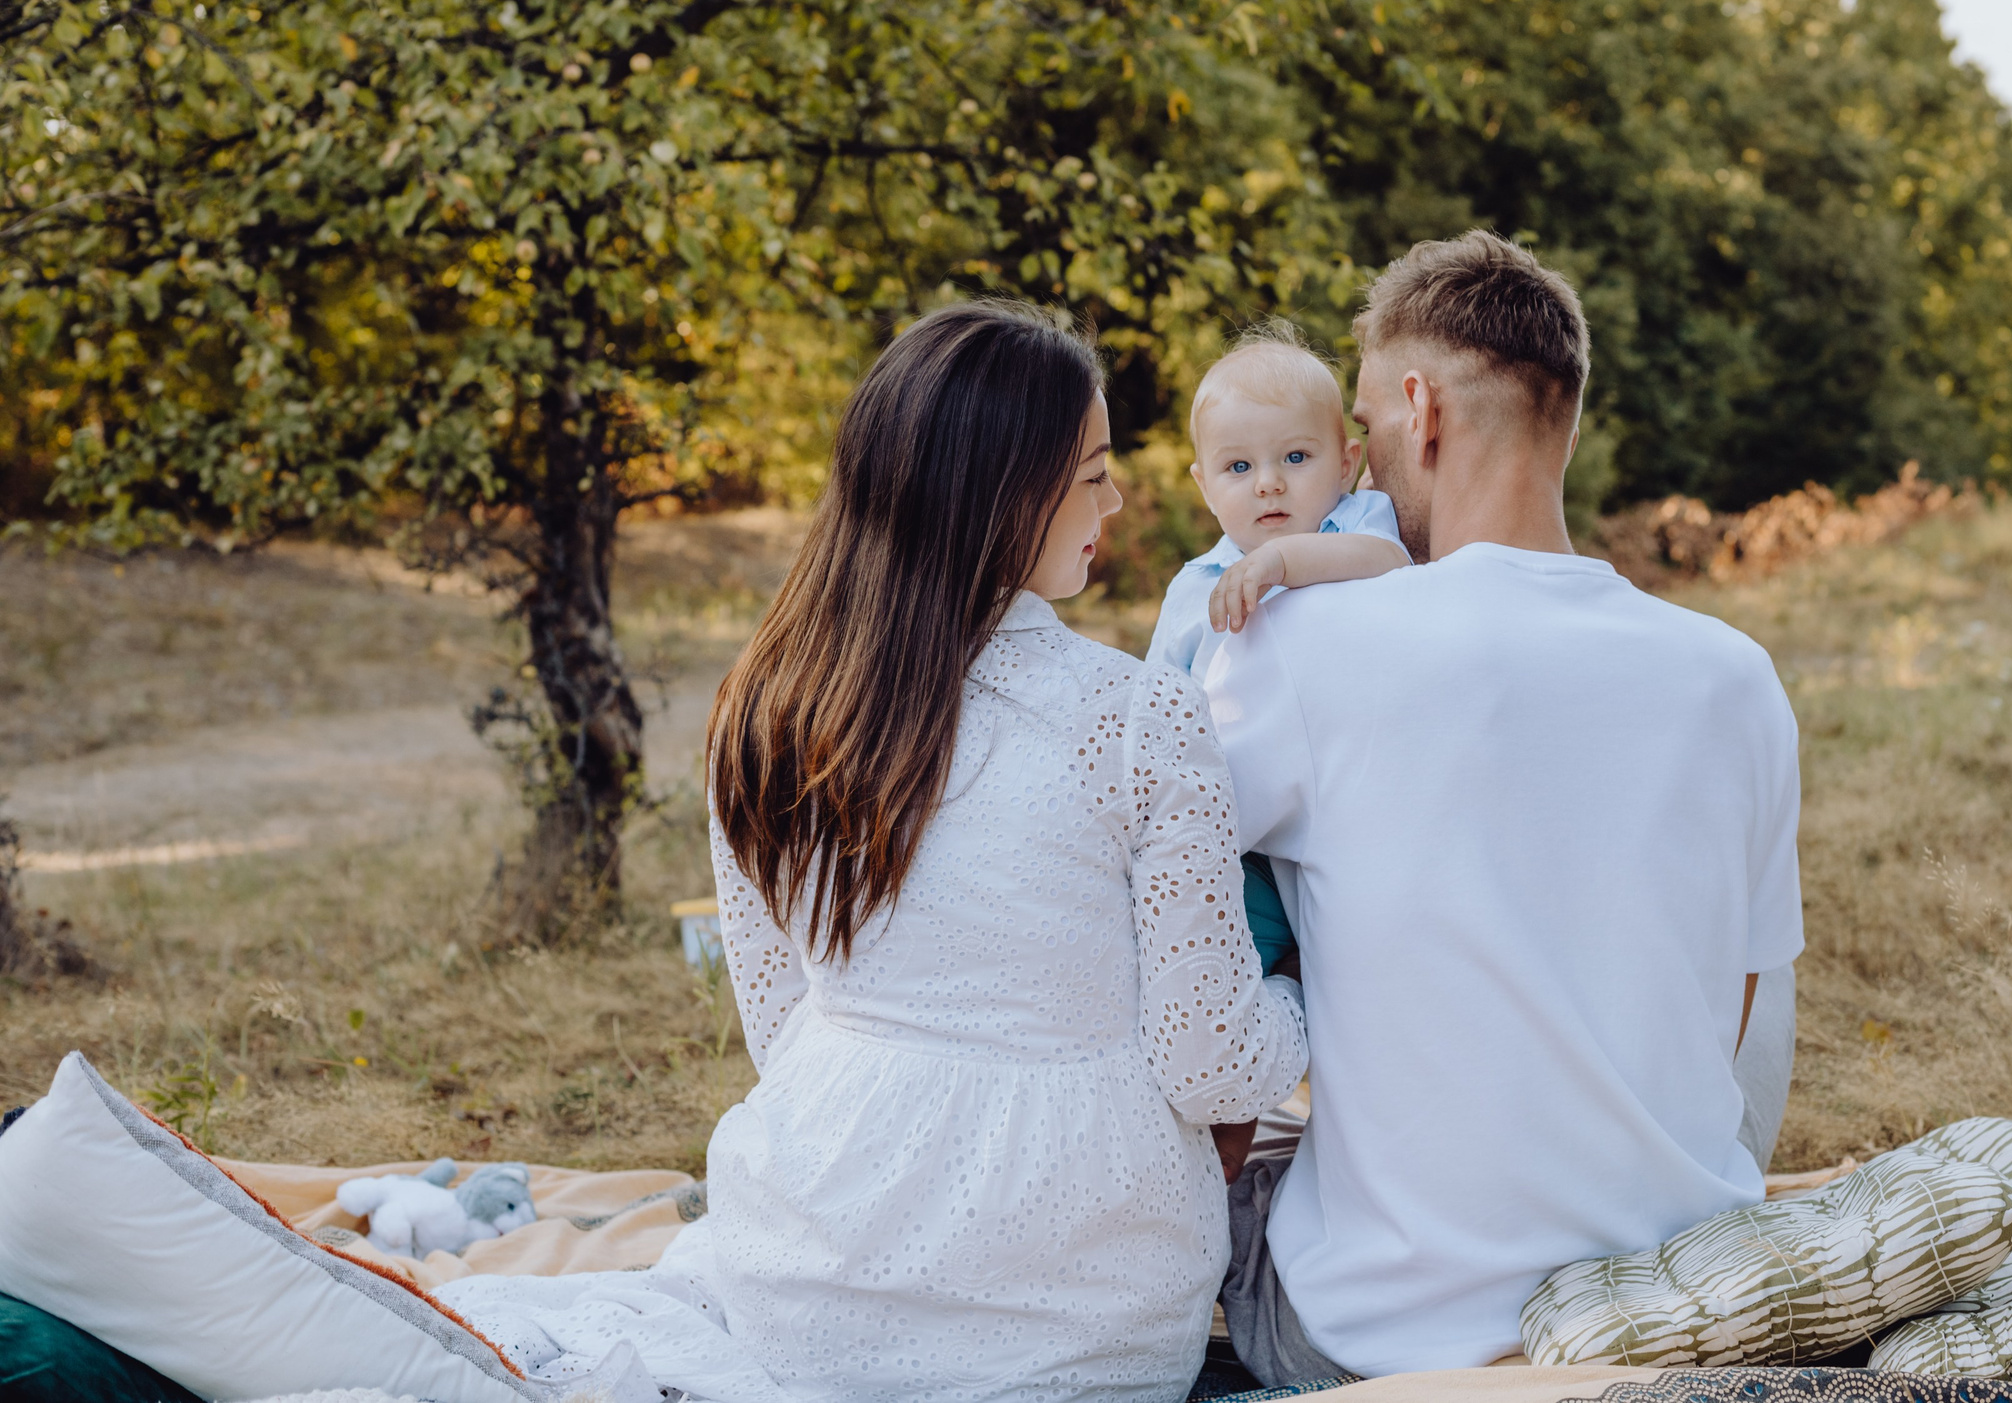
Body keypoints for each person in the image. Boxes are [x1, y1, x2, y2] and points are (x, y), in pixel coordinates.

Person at [440, 302, 1308, 1403]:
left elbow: (784, 1031)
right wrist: (1299, 995)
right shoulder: (1140, 717)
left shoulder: (764, 706)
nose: (1118, 500)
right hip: (1085, 1307)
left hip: (807, 1272)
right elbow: (1208, 1062)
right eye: (1091, 474)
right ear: (1002, 493)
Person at [1202, 232, 1804, 1385]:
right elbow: (1733, 1013)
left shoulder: (1308, 642)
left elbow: (1155, 902)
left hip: (1378, 1332)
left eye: (1366, 437)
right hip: (1660, 1299)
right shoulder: (1734, 674)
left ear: (1419, 411)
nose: (1360, 482)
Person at [1146, 328, 1409, 977]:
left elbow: (1389, 561)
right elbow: (1154, 704)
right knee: (1206, 963)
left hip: (1340, 821)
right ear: (1203, 484)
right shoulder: (1194, 587)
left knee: (1345, 970)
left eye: (1295, 457)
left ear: (1346, 462)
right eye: (1239, 467)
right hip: (1232, 839)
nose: (1268, 483)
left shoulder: (1352, 524)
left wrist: (1281, 562)